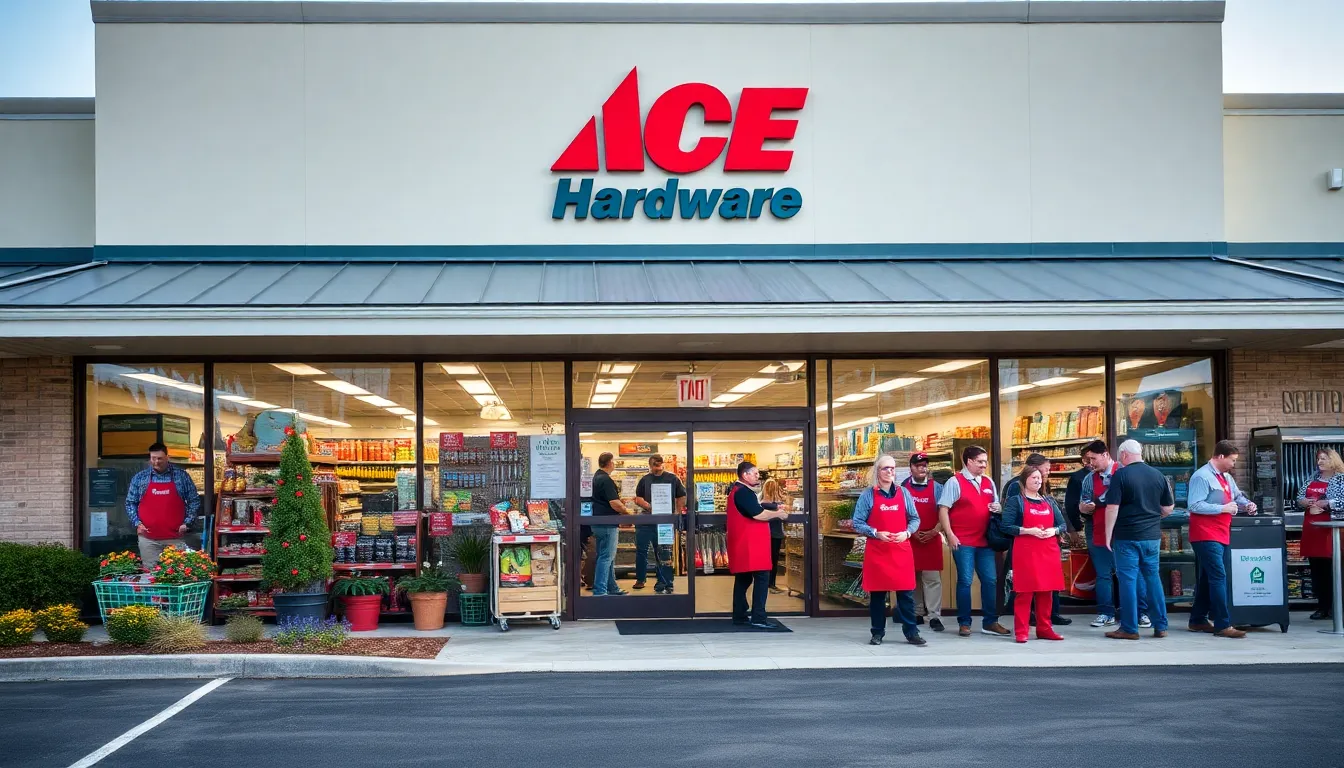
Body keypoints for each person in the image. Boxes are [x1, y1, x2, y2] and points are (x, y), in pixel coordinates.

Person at [1186, 440, 1258, 638]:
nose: (1234, 464)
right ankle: (1222, 624)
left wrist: (1247, 504)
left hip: (1221, 532)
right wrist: (1223, 508)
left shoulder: (1226, 477)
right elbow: (1194, 505)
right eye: (1232, 460)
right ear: (1220, 456)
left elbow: (1237, 496)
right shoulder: (1201, 476)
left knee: (1208, 578)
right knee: (1218, 577)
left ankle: (1198, 620)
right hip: (1204, 534)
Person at [938, 445, 1011, 638]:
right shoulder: (955, 482)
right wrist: (950, 534)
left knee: (990, 580)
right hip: (963, 541)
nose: (984, 465)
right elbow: (943, 509)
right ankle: (964, 623)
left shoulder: (988, 481)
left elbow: (995, 505)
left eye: (985, 461)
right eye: (980, 461)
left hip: (985, 541)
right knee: (965, 581)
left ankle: (990, 622)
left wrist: (998, 508)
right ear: (969, 461)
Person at [1103, 439, 1173, 640]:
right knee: (1153, 579)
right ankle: (1161, 626)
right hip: (1152, 537)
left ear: (1124, 454)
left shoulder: (1121, 475)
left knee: (1128, 581)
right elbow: (1168, 508)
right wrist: (1152, 517)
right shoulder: (1158, 475)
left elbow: (1112, 508)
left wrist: (1108, 535)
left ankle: (1129, 628)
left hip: (1127, 536)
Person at [854, 455, 926, 646]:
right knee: (878, 596)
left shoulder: (904, 493)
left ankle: (912, 632)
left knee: (906, 595)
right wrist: (875, 532)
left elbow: (915, 518)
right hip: (878, 551)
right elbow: (857, 522)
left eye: (892, 468)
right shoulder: (868, 495)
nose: (890, 472)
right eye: (885, 468)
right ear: (877, 471)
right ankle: (877, 632)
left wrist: (907, 533)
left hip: (900, 550)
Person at [1079, 440, 1150, 629]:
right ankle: (1106, 613)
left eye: (1093, 458)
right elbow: (1083, 503)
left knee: (1132, 572)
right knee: (1103, 574)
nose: (1090, 463)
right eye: (1088, 460)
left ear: (1105, 455)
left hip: (1124, 531)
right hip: (1098, 529)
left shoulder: (1124, 472)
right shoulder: (1089, 479)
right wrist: (1084, 508)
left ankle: (1140, 613)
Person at [1003, 452, 1071, 626]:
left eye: (1041, 477)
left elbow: (1061, 523)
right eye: (1042, 472)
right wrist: (1028, 530)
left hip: (1047, 549)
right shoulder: (1016, 494)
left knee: (1047, 588)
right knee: (1025, 589)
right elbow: (1007, 524)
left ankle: (1047, 623)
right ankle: (1024, 626)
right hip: (1025, 548)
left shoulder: (1047, 498)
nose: (1043, 477)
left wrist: (1054, 530)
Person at [726, 461, 789, 629]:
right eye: (754, 473)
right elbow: (758, 514)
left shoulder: (738, 491)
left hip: (743, 542)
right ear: (745, 475)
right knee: (762, 578)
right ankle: (758, 617)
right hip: (751, 544)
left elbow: (753, 510)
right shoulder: (743, 492)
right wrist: (778, 514)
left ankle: (740, 615)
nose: (758, 476)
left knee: (743, 579)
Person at [125, 442, 202, 566]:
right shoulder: (140, 478)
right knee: (151, 573)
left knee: (177, 572)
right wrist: (137, 523)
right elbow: (130, 503)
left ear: (167, 457)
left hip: (176, 539)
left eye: (160, 458)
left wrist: (187, 523)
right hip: (148, 541)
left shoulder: (181, 476)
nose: (156, 462)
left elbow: (194, 500)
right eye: (153, 458)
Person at [1297, 448, 1344, 621]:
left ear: (1333, 460)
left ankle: (1336, 608)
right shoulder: (1312, 478)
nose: (1320, 462)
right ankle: (1322, 606)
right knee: (1317, 569)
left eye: (1324, 458)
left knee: (1335, 569)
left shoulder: (1341, 479)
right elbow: (1299, 497)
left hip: (1332, 530)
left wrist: (1328, 503)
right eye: (1319, 459)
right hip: (1312, 529)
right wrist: (1303, 501)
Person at [902, 453, 945, 632]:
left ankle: (934, 615)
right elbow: (900, 514)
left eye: (924, 465)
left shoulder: (938, 488)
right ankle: (917, 612)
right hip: (911, 538)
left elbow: (945, 513)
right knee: (913, 578)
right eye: (918, 465)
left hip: (932, 537)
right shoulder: (902, 488)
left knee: (932, 578)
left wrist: (935, 531)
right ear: (911, 468)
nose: (922, 468)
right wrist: (912, 532)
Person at [633, 454, 686, 594]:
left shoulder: (673, 478)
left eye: (659, 465)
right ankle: (641, 579)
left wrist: (676, 513)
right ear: (650, 465)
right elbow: (638, 498)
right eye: (654, 465)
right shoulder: (645, 480)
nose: (657, 468)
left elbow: (681, 496)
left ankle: (665, 583)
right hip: (646, 521)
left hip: (664, 522)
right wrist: (648, 506)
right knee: (641, 551)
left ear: (662, 464)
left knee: (664, 553)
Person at [589, 452, 629, 597]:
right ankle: (600, 591)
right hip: (607, 524)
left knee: (606, 556)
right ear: (610, 462)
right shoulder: (606, 479)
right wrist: (627, 513)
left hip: (597, 522)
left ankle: (612, 587)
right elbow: (614, 503)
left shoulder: (596, 477)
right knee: (606, 557)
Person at [760, 478, 790, 594]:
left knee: (767, 559)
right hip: (775, 535)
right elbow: (784, 515)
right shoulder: (774, 506)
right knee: (773, 559)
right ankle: (771, 584)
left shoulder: (762, 504)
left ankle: (767, 583)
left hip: (766, 534)